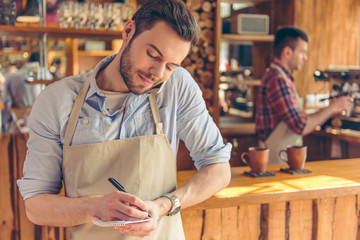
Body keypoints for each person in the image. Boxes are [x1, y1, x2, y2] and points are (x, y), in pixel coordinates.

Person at [17, 0, 232, 239]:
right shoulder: (56, 100)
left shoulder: (177, 85)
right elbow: (36, 206)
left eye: (171, 66)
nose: (158, 74)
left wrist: (163, 205)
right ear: (128, 31)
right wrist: (95, 207)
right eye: (153, 55)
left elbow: (219, 169)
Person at [255, 26, 353, 165]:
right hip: (276, 159)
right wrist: (332, 108)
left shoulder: (281, 77)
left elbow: (297, 119)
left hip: (280, 155)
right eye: (302, 52)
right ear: (288, 52)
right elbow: (301, 126)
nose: (305, 58)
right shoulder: (278, 80)